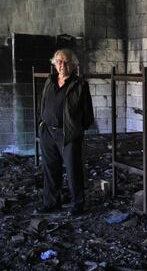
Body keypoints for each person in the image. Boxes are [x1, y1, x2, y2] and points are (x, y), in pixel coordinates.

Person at [36, 48, 94, 215]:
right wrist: (43, 124)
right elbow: (44, 103)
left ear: (73, 65)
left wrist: (77, 129)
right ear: (55, 64)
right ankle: (52, 202)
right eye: (59, 61)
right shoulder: (50, 80)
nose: (63, 65)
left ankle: (78, 205)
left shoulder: (80, 84)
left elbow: (87, 114)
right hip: (48, 131)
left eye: (66, 62)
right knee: (50, 168)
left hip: (68, 134)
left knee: (73, 169)